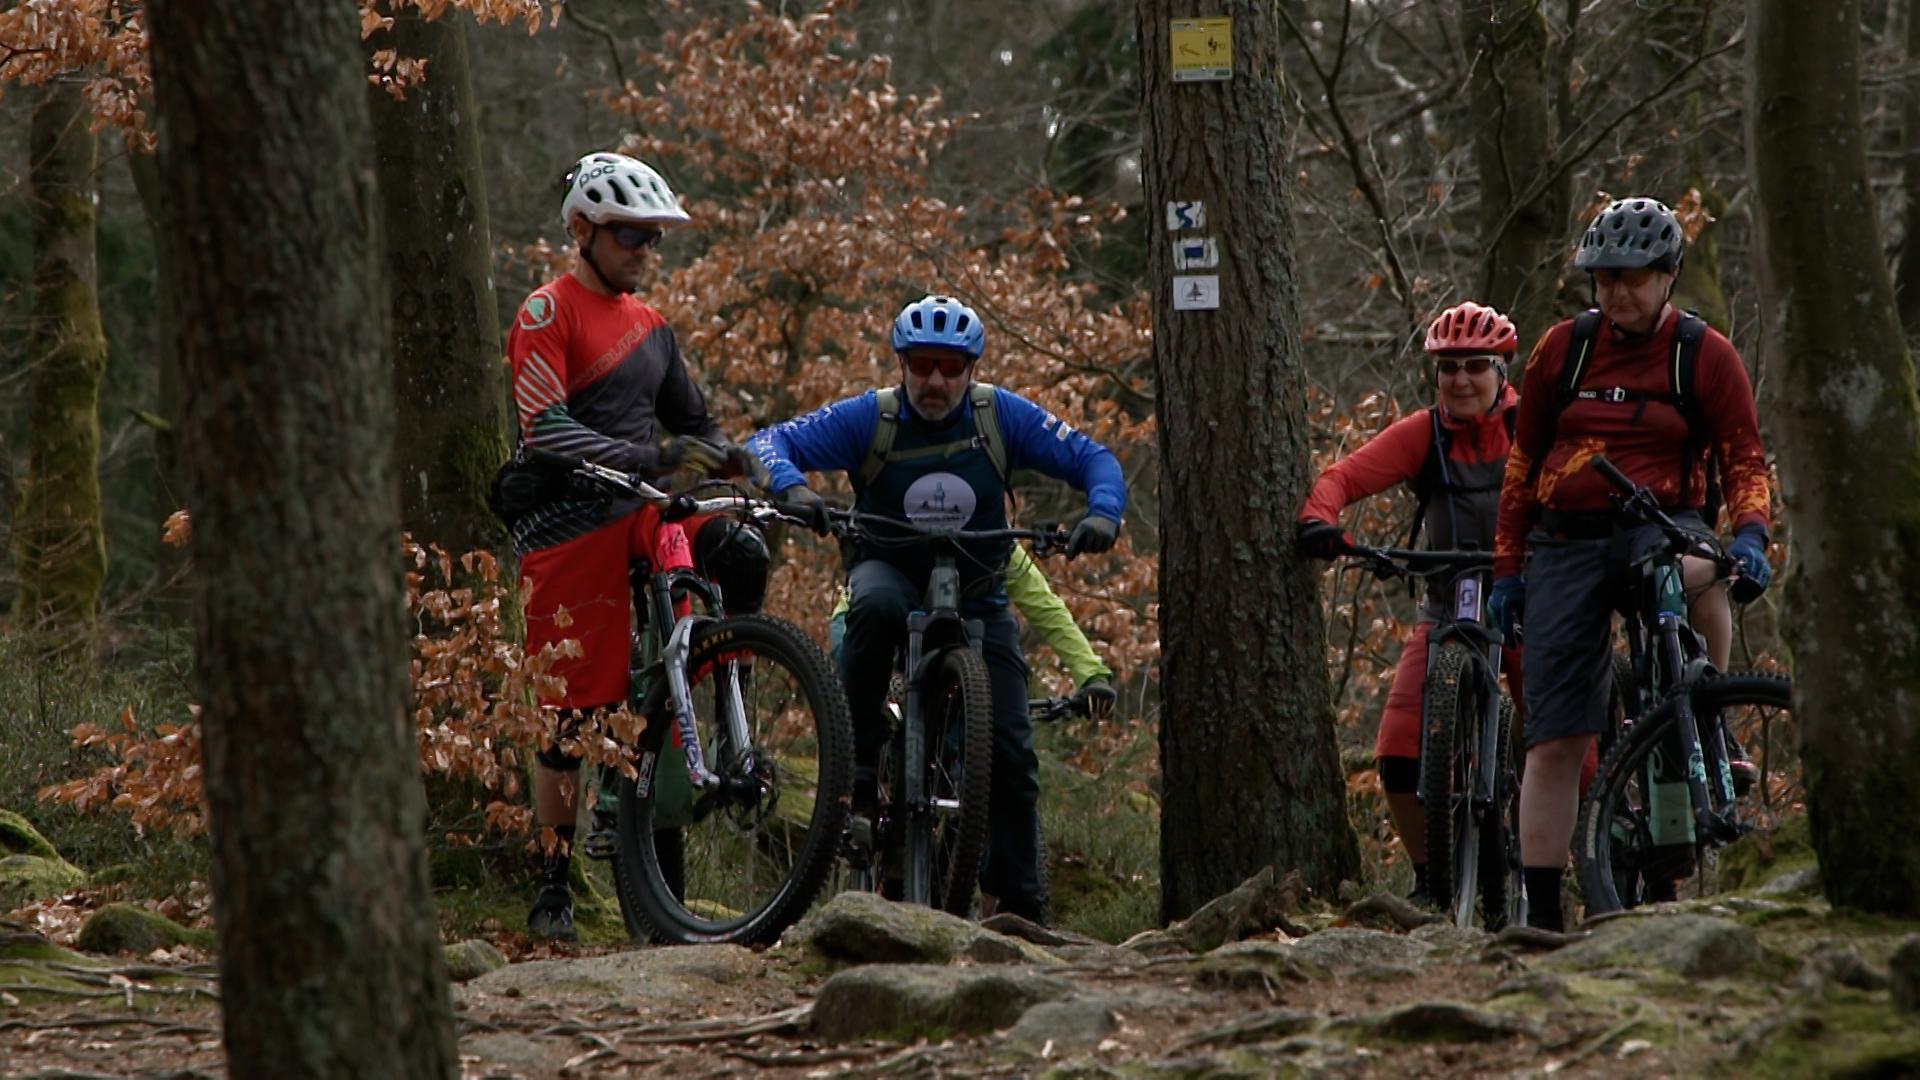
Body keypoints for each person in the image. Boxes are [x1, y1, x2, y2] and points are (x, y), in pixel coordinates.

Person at [748, 294, 1127, 924]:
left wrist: (1103, 512)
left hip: (979, 592)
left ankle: (1021, 909)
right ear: (901, 363)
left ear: (971, 369)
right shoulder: (872, 417)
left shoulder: (999, 416)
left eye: (951, 367)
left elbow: (1096, 458)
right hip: (890, 573)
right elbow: (767, 442)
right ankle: (859, 767)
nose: (935, 381)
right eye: (922, 364)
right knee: (873, 605)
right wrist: (792, 487)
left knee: (1012, 753)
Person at [1489, 196, 1774, 932]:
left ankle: (1707, 712)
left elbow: (1745, 458)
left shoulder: (1703, 354)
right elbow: (1521, 467)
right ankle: (1543, 914)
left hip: (1663, 524)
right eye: (1605, 277)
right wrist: (1508, 571)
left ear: (1668, 275)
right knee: (1555, 736)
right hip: (1566, 539)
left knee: (1703, 572)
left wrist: (1750, 536)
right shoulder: (1564, 349)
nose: (1618, 292)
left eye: (1634, 277)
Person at [506, 151, 770, 940]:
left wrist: (736, 459)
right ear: (582, 232)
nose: (645, 250)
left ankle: (727, 708)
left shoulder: (653, 328)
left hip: (646, 507)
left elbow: (696, 423)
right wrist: (649, 456)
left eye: (653, 238)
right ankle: (554, 885)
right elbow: (545, 429)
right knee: (569, 715)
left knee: (742, 552)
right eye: (630, 235)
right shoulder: (546, 313)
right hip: (570, 516)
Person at [1295, 300, 1527, 906]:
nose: (1460, 379)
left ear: (1502, 371)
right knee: (1398, 754)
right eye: (1448, 367)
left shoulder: (1531, 429)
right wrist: (1320, 520)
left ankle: (1566, 867)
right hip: (1448, 603)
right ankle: (1432, 882)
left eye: (1475, 365)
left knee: (1562, 747)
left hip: (1527, 602)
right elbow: (1341, 478)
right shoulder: (1425, 433)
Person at [827, 543, 1119, 718]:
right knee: (863, 687)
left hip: (945, 649)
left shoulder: (995, 547)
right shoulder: (899, 525)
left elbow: (1047, 609)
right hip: (864, 624)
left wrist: (1090, 674)